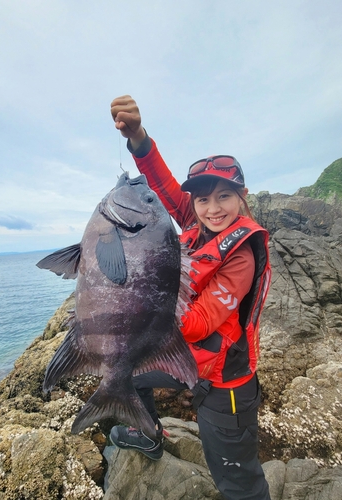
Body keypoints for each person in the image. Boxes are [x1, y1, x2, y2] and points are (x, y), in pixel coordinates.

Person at [109, 95, 272, 500]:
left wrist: (144, 298)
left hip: (225, 384)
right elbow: (161, 183)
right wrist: (138, 138)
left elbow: (199, 321)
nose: (213, 209)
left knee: (238, 484)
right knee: (122, 372)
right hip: (187, 359)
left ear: (242, 196)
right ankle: (148, 433)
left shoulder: (242, 256)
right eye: (202, 199)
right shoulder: (194, 223)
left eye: (224, 197)